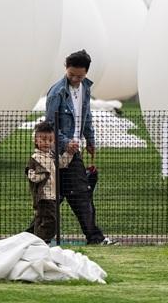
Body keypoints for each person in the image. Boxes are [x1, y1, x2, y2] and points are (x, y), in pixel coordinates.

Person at [41, 49, 117, 245]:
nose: (75, 79)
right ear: (65, 69)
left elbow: (86, 117)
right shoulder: (57, 92)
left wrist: (90, 140)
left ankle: (33, 236)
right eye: (71, 75)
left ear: (86, 73)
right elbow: (50, 125)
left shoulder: (85, 88)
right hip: (59, 153)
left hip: (75, 152)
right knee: (79, 195)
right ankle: (95, 237)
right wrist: (67, 142)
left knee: (59, 198)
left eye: (79, 76)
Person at [26, 121, 75, 243]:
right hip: (43, 195)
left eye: (50, 140)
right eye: (43, 139)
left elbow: (62, 164)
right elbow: (31, 175)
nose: (46, 143)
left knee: (42, 219)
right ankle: (42, 241)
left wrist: (69, 153)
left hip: (53, 194)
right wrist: (43, 174)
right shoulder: (35, 158)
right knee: (50, 220)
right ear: (36, 141)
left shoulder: (51, 155)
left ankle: (36, 241)